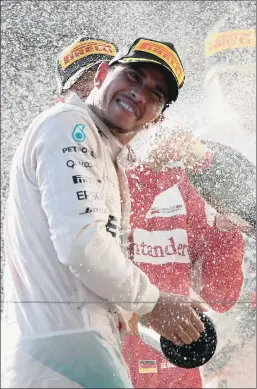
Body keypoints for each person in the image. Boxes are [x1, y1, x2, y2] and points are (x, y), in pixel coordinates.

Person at [2, 36, 208, 388]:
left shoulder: (107, 155)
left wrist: (167, 316)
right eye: (132, 77)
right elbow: (82, 245)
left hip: (73, 352)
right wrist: (155, 304)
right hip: (64, 354)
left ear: (158, 118)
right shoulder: (69, 124)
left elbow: (93, 277)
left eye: (155, 94)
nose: (139, 94)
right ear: (102, 74)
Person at [53, 36, 245, 389]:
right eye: (79, 92)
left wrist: (225, 221)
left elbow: (221, 295)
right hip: (94, 371)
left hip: (176, 373)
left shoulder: (179, 175)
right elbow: (95, 248)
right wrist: (149, 176)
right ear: (59, 103)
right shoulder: (58, 166)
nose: (94, 103)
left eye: (101, 81)